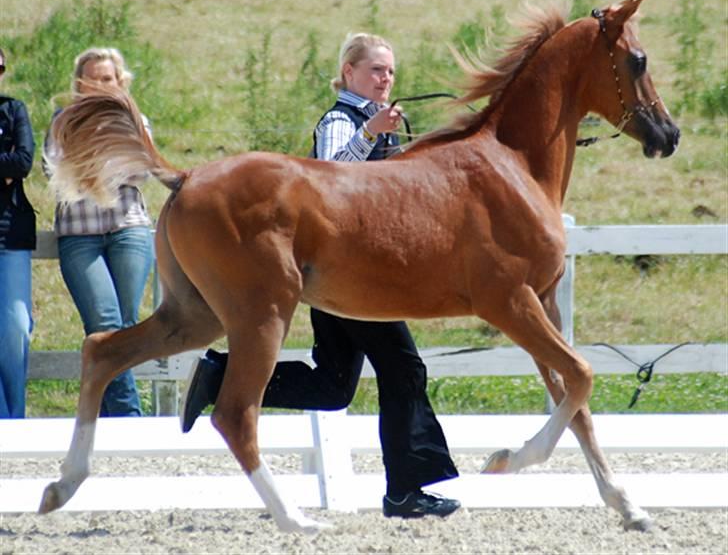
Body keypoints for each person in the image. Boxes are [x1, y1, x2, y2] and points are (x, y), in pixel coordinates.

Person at [182, 33, 461, 518]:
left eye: (390, 71)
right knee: (404, 368)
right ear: (348, 72)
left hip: (355, 273)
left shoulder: (390, 126)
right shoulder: (341, 120)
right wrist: (370, 134)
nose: (386, 79)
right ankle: (406, 490)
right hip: (354, 276)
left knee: (333, 386)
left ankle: (220, 374)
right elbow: (328, 178)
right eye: (376, 70)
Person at [43, 48, 154, 417]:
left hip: (130, 230)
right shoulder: (62, 122)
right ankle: (128, 418)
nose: (99, 85)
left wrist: (87, 166)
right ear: (79, 84)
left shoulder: (135, 120)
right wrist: (109, 164)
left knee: (125, 327)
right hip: (80, 235)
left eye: (106, 78)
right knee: (105, 324)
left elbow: (140, 170)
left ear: (120, 81)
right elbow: (56, 174)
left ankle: (102, 421)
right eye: (91, 78)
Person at [0, 47, 36, 419]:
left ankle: (14, 422)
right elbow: (9, 165)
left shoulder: (13, 110)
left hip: (9, 235)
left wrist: (12, 166)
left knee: (15, 329)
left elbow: (23, 162)